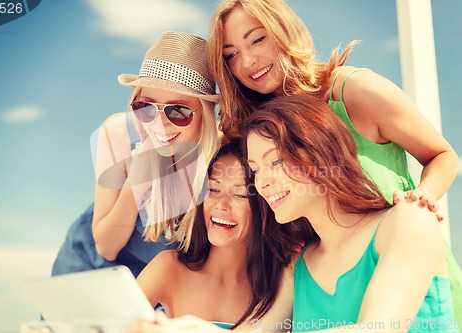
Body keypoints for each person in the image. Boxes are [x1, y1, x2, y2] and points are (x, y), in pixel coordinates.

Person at [207, 0, 461, 321]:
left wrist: (422, 198)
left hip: (404, 273)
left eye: (257, 39)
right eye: (231, 55)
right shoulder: (257, 131)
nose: (248, 61)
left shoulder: (355, 90)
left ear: (283, 31)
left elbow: (443, 155)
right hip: (328, 289)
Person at [128, 95, 457, 333]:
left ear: (321, 152)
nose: (264, 182)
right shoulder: (299, 267)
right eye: (256, 169)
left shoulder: (408, 221)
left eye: (276, 162)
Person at [51, 31, 220, 277]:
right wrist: (136, 182)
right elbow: (106, 248)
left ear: (206, 112)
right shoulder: (118, 133)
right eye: (146, 107)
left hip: (164, 284)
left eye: (179, 111)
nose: (160, 124)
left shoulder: (221, 153)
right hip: (90, 268)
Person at [136, 141, 298, 331]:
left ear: (264, 205)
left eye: (240, 194)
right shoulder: (169, 267)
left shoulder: (281, 278)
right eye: (213, 190)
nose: (222, 205)